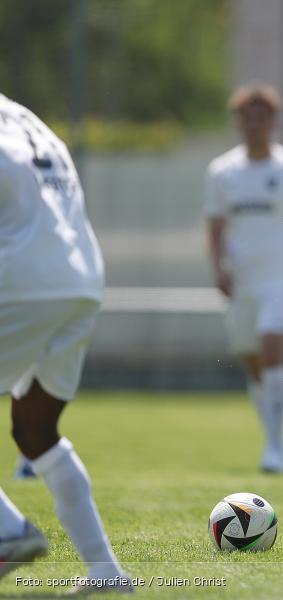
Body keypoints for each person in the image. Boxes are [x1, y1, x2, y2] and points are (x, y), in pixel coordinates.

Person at [0, 93, 133, 593]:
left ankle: (8, 531)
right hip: (79, 278)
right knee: (35, 430)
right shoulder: (27, 118)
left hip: (20, 277)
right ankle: (107, 573)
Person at [204, 84, 283, 474]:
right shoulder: (222, 172)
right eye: (247, 118)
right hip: (243, 279)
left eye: (262, 118)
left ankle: (277, 448)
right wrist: (218, 269)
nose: (254, 125)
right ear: (238, 123)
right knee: (254, 361)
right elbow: (215, 228)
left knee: (272, 350)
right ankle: (271, 437)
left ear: (274, 122)